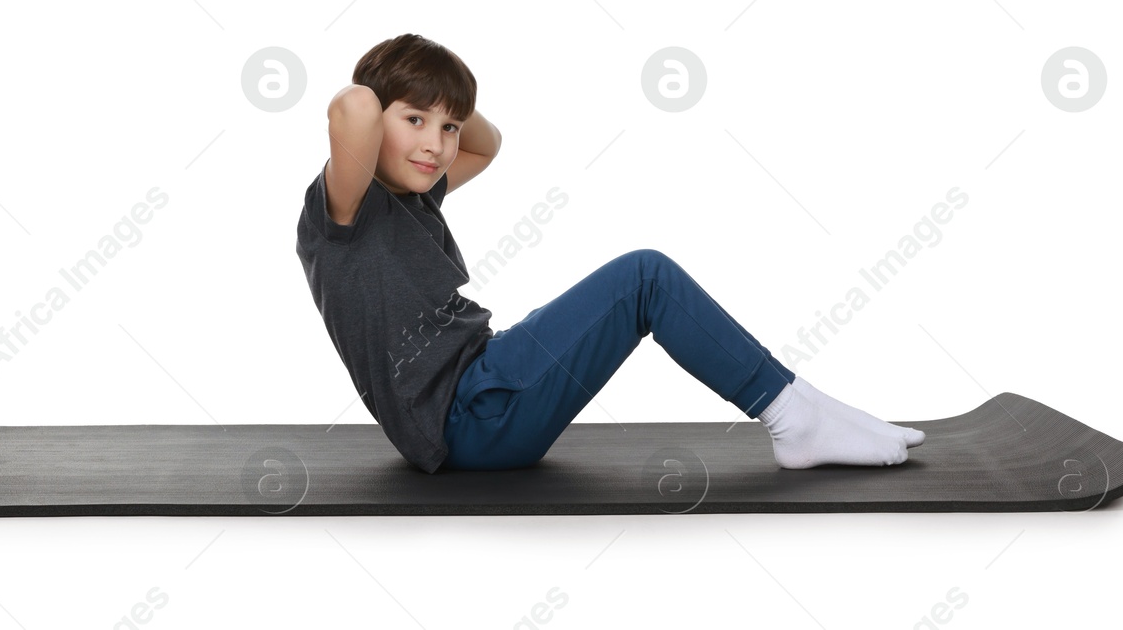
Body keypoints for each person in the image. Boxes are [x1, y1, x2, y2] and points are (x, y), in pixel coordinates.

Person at [295, 33, 924, 474]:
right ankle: (796, 418)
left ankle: (803, 407)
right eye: (414, 121)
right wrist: (404, 81)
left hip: (484, 391)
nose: (436, 145)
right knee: (644, 276)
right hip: (468, 420)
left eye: (447, 126)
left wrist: (434, 98)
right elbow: (351, 106)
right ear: (379, 122)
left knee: (641, 278)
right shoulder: (343, 212)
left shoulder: (414, 194)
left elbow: (488, 145)